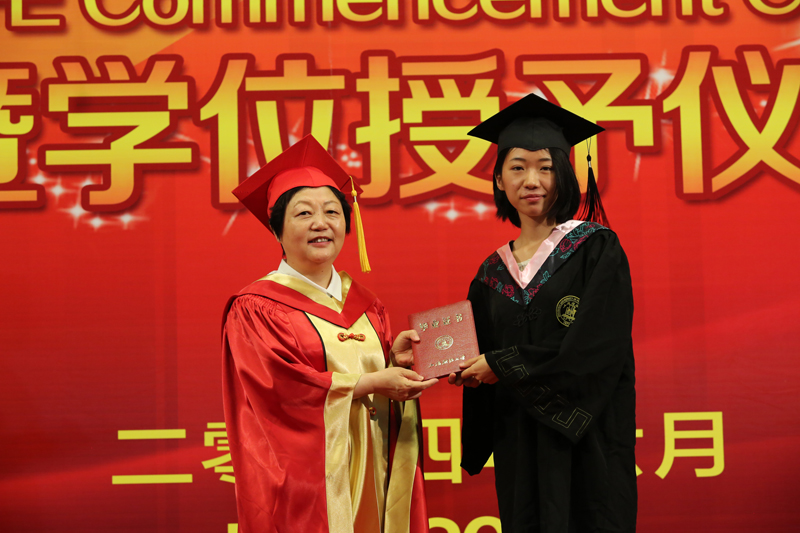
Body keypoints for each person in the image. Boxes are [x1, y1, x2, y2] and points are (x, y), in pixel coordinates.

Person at [222, 135, 436, 533]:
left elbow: (375, 383)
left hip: (373, 466)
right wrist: (370, 382)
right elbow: (278, 390)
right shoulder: (256, 307)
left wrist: (394, 359)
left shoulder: (368, 306)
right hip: (308, 485)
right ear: (276, 230)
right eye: (303, 213)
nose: (321, 223)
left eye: (332, 212)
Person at [448, 94, 637, 532]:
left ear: (564, 174)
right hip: (519, 444)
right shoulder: (490, 275)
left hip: (586, 440)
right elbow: (478, 354)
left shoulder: (595, 249)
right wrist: (459, 368)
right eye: (517, 168)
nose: (531, 180)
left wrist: (501, 365)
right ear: (499, 179)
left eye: (545, 167)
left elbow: (597, 348)